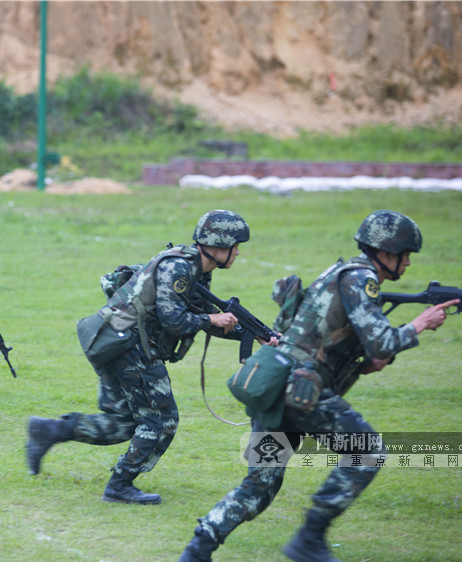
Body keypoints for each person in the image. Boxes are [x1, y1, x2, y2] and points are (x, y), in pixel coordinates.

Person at [172, 210, 458, 562]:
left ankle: (196, 554)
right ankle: (310, 537)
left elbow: (334, 338)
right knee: (367, 451)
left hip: (277, 390)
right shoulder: (362, 279)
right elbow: (382, 341)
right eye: (405, 254)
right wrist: (419, 325)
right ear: (385, 252)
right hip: (304, 394)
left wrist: (368, 362)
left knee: (260, 483)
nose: (407, 262)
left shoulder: (340, 272)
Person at [26, 210, 275, 504]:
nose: (237, 253)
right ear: (219, 245)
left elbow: (199, 316)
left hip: (116, 343)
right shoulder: (179, 268)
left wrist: (254, 335)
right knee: (161, 421)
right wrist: (212, 320)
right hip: (131, 347)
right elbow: (176, 322)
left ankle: (49, 430)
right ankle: (119, 486)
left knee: (123, 422)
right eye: (236, 246)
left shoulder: (197, 270)